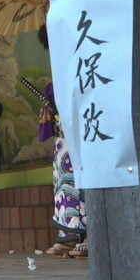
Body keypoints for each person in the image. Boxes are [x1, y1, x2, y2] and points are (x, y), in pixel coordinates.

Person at [37, 23, 87, 257]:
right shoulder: (55, 76)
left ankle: (88, 233)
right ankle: (68, 234)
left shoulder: (81, 64)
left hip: (81, 134)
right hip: (62, 140)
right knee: (63, 185)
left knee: (81, 181)